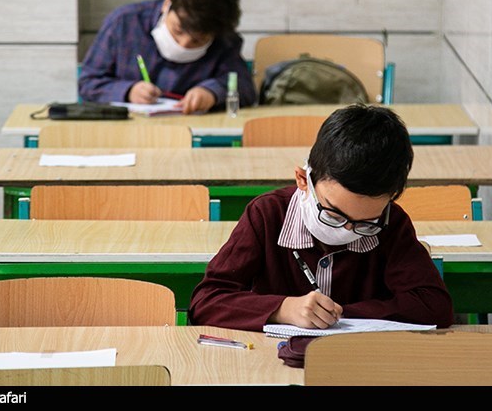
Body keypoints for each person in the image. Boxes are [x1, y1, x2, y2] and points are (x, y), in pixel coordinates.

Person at [188, 104, 454, 331]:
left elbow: (434, 306)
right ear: (303, 180)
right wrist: (282, 309)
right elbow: (205, 302)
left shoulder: (390, 223)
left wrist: (339, 315)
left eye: (365, 224)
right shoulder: (267, 215)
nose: (347, 229)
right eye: (333, 213)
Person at [78, 0, 257, 114]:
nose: (184, 44)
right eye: (178, 30)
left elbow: (245, 87)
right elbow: (88, 83)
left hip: (192, 133)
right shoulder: (125, 22)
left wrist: (212, 92)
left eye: (197, 40)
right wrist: (128, 91)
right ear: (167, 4)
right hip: (127, 133)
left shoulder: (225, 39)